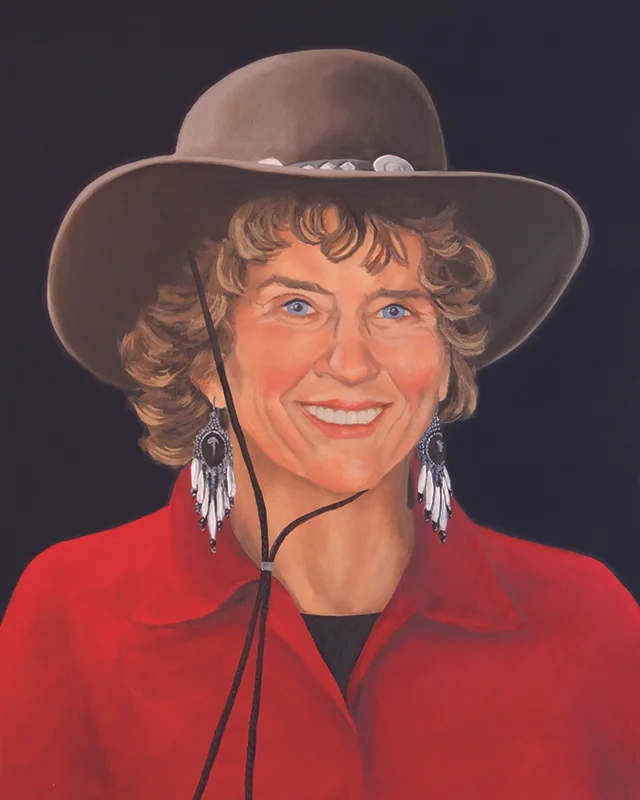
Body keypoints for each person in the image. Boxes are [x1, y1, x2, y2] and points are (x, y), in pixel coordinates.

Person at [1, 49, 639, 800]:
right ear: (203, 352)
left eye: (395, 309)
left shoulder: (589, 619)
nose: (352, 363)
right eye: (297, 306)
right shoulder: (71, 613)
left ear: (445, 357)